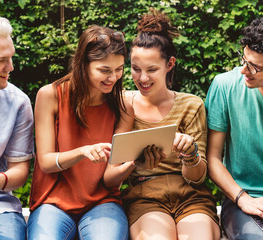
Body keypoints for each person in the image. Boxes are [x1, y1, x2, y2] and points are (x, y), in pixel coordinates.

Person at [104, 9, 220, 240]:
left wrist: (191, 154)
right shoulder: (124, 104)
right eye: (136, 69)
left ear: (169, 64)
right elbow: (110, 177)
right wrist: (134, 162)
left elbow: (198, 177)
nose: (142, 78)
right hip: (144, 197)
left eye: (152, 70)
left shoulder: (191, 105)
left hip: (191, 195)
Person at [27, 25, 134, 240]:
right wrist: (82, 152)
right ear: (83, 64)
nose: (113, 78)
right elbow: (46, 162)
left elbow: (110, 179)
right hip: (52, 202)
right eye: (104, 70)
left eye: (119, 69)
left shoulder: (123, 108)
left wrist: (133, 163)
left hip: (102, 203)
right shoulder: (51, 95)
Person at [205, 17, 263, 240]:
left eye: (254, 67)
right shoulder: (224, 86)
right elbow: (213, 158)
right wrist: (242, 198)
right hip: (240, 200)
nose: (243, 70)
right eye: (244, 59)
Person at [0, 12, 34, 240]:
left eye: (11, 57)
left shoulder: (18, 102)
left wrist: (0, 182)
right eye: (0, 61)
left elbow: (20, 170)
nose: (11, 67)